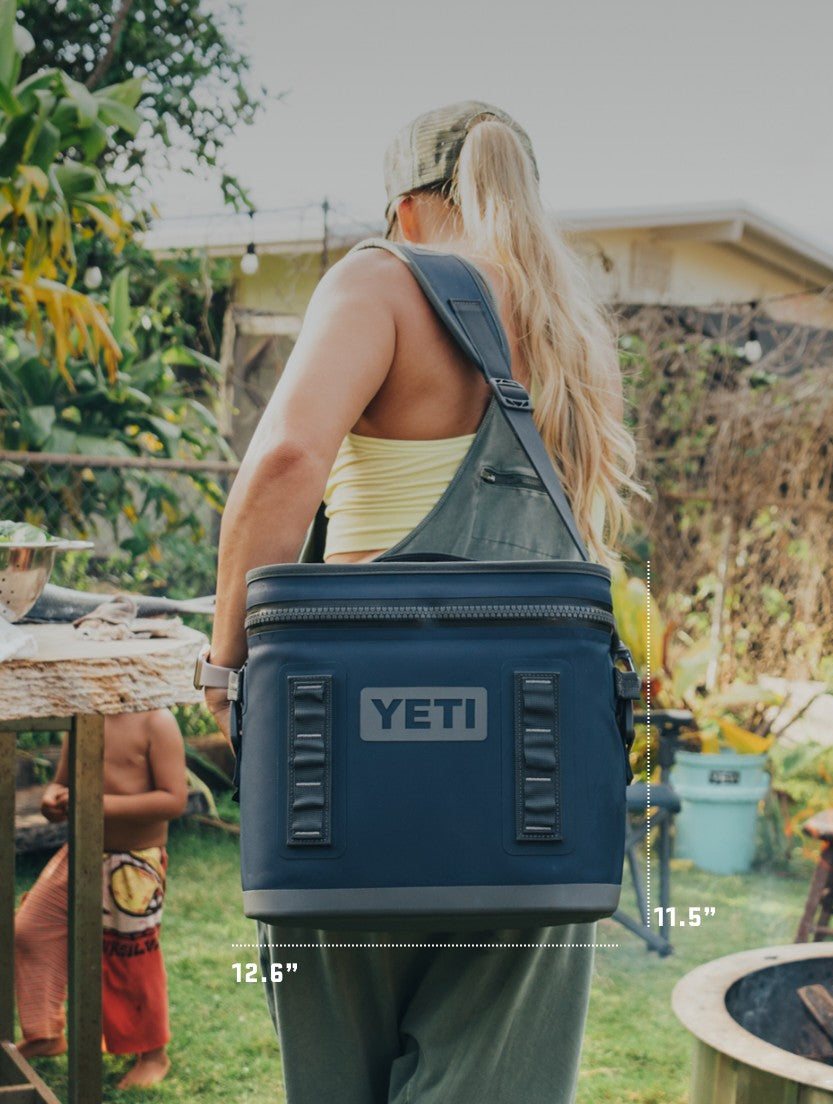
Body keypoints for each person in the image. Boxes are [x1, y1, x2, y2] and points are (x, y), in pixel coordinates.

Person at [205, 101, 639, 1104]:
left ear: (406, 207)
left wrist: (226, 669)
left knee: (335, 1074)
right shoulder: (573, 336)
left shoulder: (381, 279)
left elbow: (282, 463)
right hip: (534, 777)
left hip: (348, 755)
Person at [14, 709, 187, 1090]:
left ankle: (153, 1053)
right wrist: (53, 801)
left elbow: (174, 800)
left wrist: (95, 802)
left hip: (134, 861)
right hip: (79, 850)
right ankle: (45, 1031)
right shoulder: (85, 718)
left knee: (131, 956)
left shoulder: (156, 721)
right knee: (29, 929)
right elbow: (59, 784)